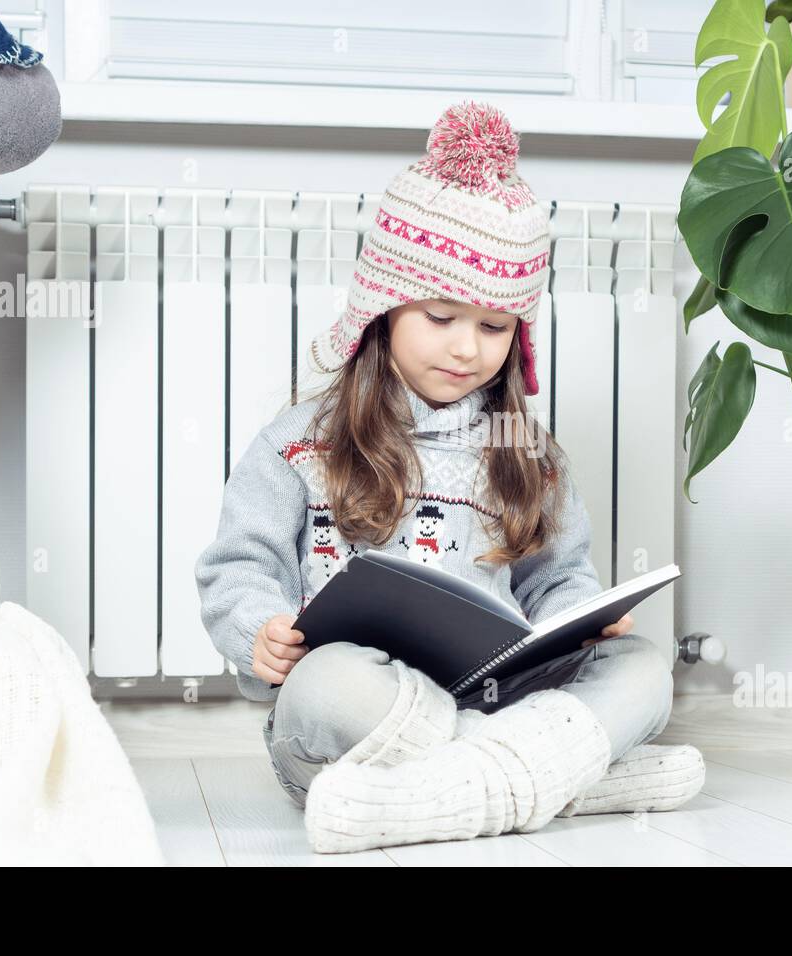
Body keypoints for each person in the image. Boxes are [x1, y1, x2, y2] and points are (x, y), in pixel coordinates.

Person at [194, 101, 704, 854]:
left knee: (641, 668)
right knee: (325, 681)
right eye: (440, 316)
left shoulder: (529, 454)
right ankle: (563, 780)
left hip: (501, 698)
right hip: (356, 726)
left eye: (494, 326)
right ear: (385, 307)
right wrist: (258, 633)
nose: (467, 348)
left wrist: (585, 615)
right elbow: (239, 569)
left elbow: (557, 582)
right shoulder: (299, 441)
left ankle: (432, 799)